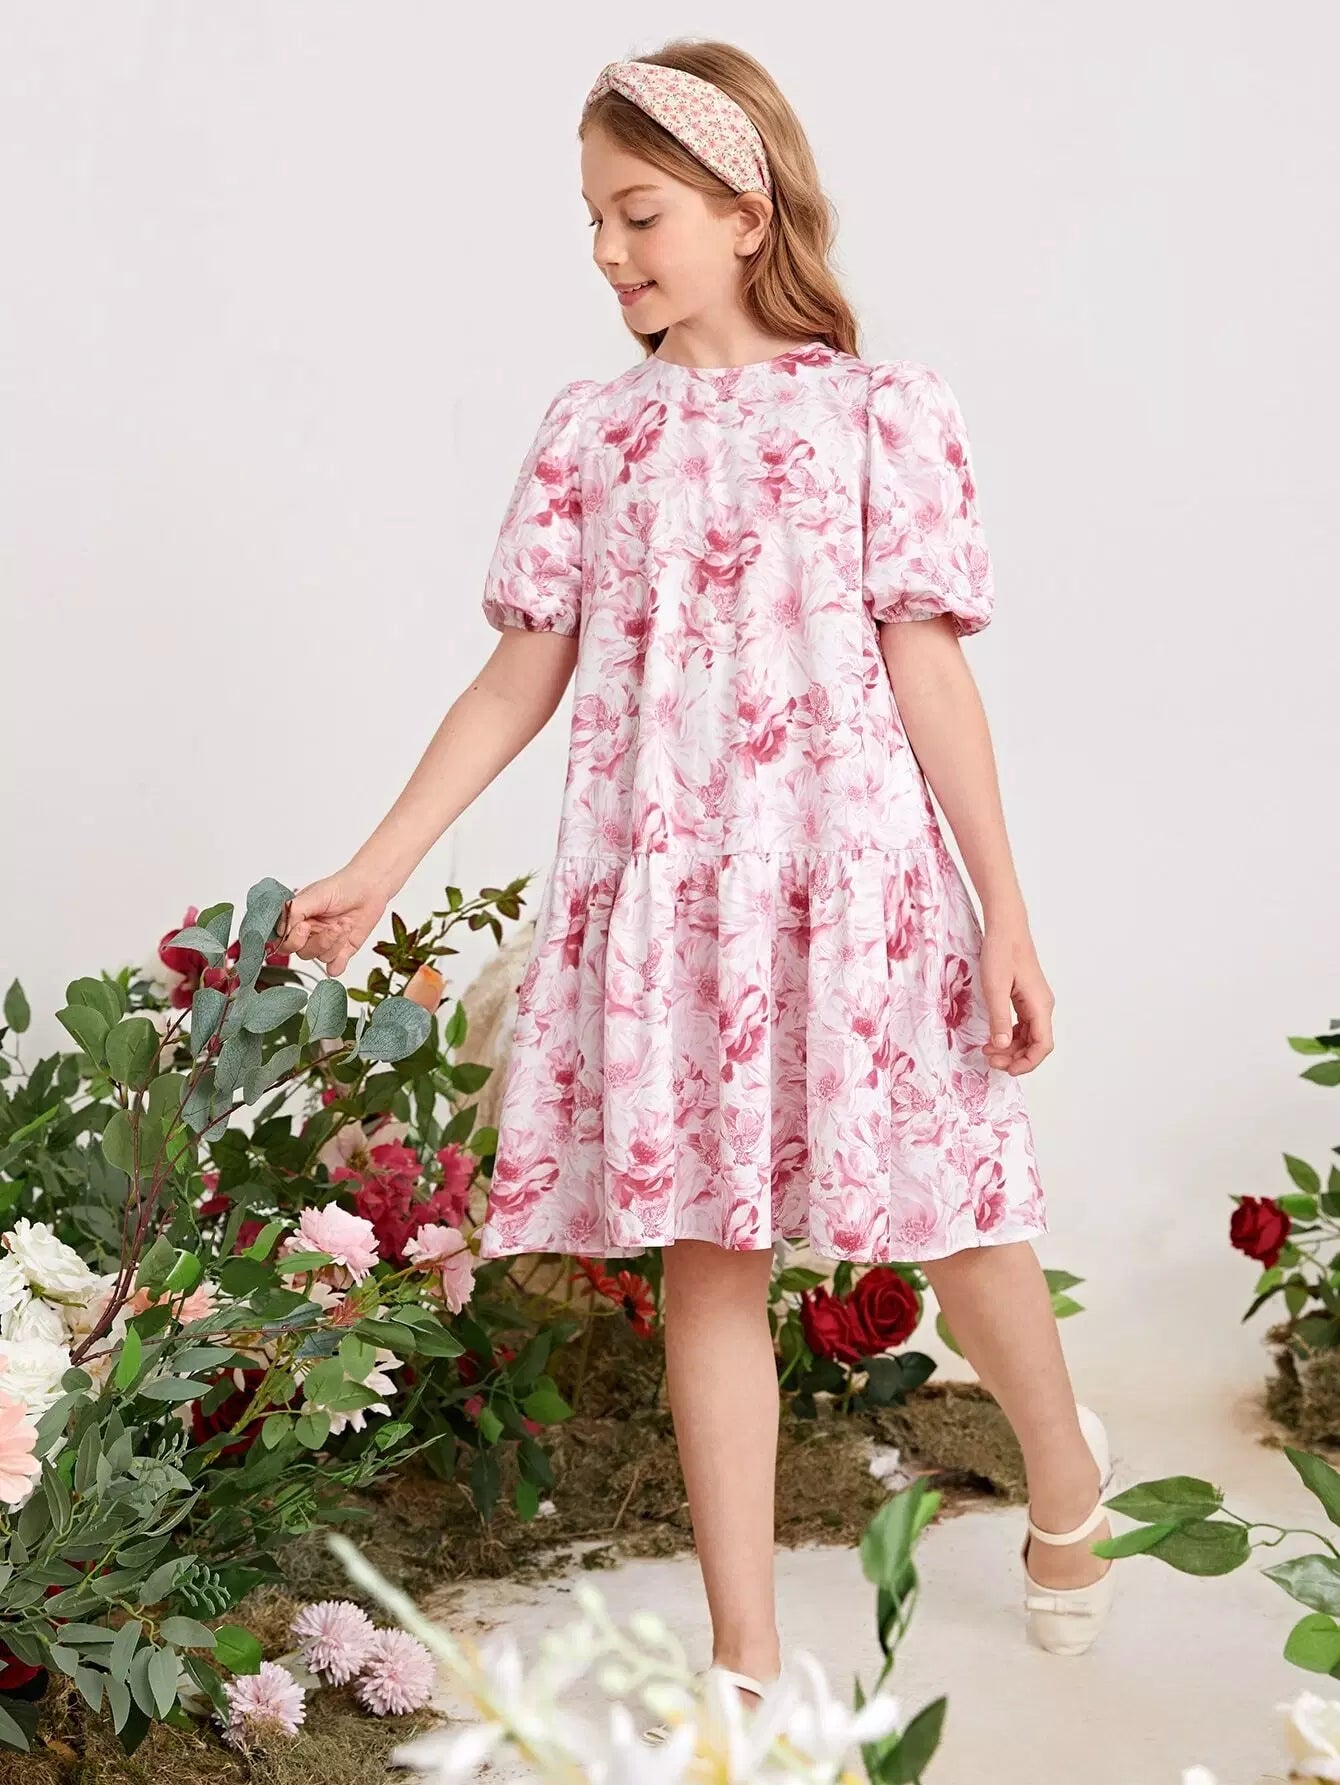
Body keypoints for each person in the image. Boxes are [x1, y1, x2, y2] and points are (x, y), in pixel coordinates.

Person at [277, 36, 1116, 1738]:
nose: (609, 249)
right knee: (707, 1259)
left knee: (956, 1217)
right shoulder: (595, 433)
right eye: (591, 218)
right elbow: (521, 671)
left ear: (748, 210)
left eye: (639, 212)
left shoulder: (881, 411)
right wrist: (380, 859)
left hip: (855, 882)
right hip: (671, 902)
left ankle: (1064, 1468)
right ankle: (742, 1658)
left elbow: (932, 671)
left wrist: (1006, 911)